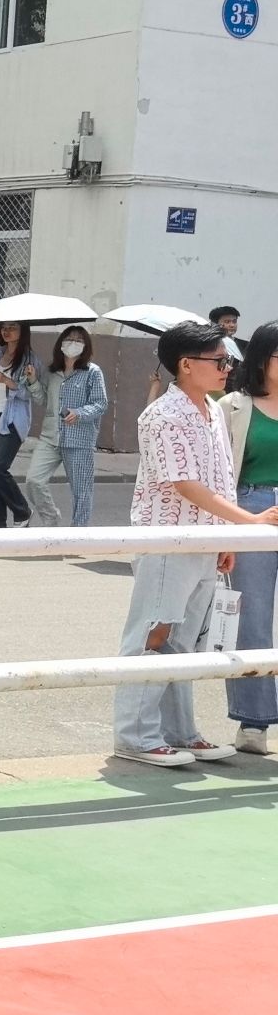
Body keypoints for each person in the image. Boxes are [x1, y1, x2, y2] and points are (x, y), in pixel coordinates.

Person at [113, 321, 278, 766]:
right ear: (186, 365)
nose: (228, 368)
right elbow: (185, 484)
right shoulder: (164, 415)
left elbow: (222, 479)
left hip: (205, 539)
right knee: (153, 633)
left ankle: (180, 731)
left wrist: (226, 536)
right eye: (219, 360)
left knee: (185, 640)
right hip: (170, 538)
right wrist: (248, 521)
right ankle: (135, 735)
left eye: (229, 360)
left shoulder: (211, 409)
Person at [221, 322, 278, 756]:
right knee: (252, 618)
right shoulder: (233, 406)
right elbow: (219, 473)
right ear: (261, 359)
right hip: (251, 511)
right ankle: (253, 722)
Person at [23, 325, 108, 527]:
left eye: (79, 340)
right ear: (61, 343)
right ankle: (50, 517)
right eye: (69, 339)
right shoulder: (52, 372)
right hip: (50, 437)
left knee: (81, 491)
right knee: (33, 480)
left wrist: (79, 413)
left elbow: (100, 403)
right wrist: (33, 381)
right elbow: (44, 400)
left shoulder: (92, 372)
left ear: (86, 346)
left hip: (79, 440)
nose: (73, 343)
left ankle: (78, 533)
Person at [0, 322, 41, 528]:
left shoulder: (30, 360)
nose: (6, 331)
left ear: (23, 331)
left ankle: (22, 511)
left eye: (12, 327)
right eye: (4, 327)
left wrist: (7, 380)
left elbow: (29, 394)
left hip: (12, 419)